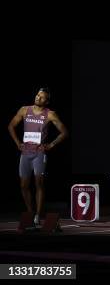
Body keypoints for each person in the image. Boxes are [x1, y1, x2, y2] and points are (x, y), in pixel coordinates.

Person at [8, 88, 68, 226]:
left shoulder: (50, 114)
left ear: (46, 101)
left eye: (42, 97)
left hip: (39, 154)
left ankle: (38, 215)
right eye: (37, 95)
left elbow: (64, 132)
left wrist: (52, 144)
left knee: (39, 183)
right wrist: (18, 143)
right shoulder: (24, 110)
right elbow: (11, 126)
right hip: (25, 154)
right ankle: (30, 212)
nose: (38, 98)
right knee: (23, 185)